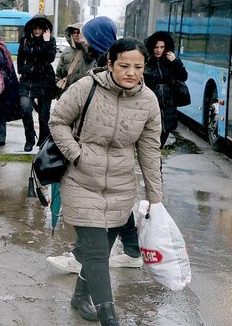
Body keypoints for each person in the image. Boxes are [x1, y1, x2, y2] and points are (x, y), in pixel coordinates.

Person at [48, 38, 162, 325]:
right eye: (124, 65)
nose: (131, 72)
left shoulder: (148, 101)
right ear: (110, 64)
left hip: (121, 187)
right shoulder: (87, 88)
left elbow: (149, 150)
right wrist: (76, 155)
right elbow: (57, 121)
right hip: (82, 180)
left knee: (97, 250)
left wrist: (155, 197)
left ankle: (79, 298)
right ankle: (109, 317)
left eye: (138, 67)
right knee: (97, 251)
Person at [46, 15, 144, 275]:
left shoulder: (111, 66)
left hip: (102, 148)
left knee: (98, 207)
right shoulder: (98, 59)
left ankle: (81, 258)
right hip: (96, 148)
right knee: (112, 206)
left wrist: (79, 154)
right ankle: (131, 251)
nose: (84, 39)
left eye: (88, 35)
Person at [17, 14, 57, 152]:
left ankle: (43, 140)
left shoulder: (50, 40)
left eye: (40, 28)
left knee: (44, 115)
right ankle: (30, 138)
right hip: (28, 79)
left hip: (45, 80)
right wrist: (22, 69)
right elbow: (20, 57)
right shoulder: (25, 40)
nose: (37, 31)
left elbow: (50, 58)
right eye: (35, 28)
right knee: (25, 108)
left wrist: (46, 42)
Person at [144, 31, 188, 147]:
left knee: (165, 132)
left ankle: (157, 159)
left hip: (169, 102)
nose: (158, 50)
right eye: (156, 47)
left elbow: (183, 77)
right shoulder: (147, 62)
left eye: (161, 47)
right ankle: (155, 162)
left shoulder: (170, 61)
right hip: (153, 100)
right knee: (153, 132)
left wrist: (176, 62)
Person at [56, 22, 95, 95]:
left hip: (84, 93)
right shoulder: (66, 52)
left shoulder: (91, 50)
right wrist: (59, 92)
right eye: (74, 33)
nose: (76, 35)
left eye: (79, 32)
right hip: (68, 93)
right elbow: (59, 74)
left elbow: (90, 60)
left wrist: (82, 45)